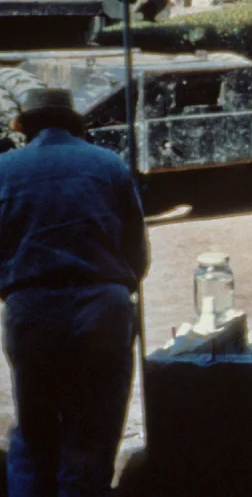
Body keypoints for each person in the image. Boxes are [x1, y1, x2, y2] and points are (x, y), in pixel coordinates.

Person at [0, 87, 149, 497]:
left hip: (31, 309)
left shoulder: (4, 169)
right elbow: (137, 253)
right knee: (92, 436)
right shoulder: (108, 164)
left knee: (34, 432)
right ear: (73, 124)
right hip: (102, 309)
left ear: (25, 128)